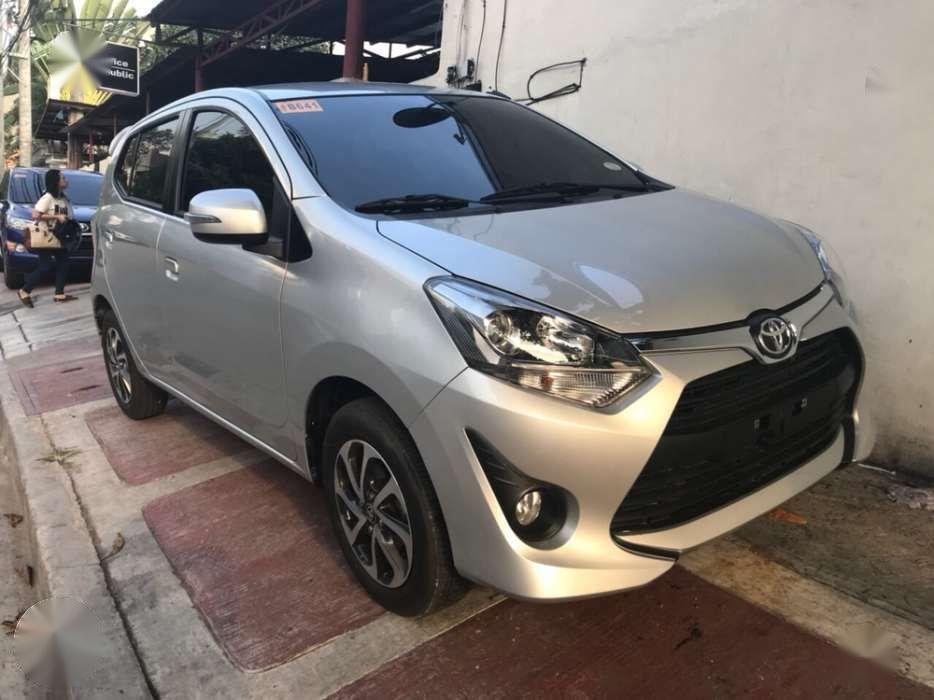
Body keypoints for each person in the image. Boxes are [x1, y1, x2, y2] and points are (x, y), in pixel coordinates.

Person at [17, 169, 78, 308]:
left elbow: (68, 216)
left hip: (60, 236)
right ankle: (24, 291)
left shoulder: (63, 198)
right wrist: (56, 216)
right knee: (45, 267)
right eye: (63, 178)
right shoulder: (48, 197)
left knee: (64, 264)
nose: (66, 180)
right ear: (56, 181)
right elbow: (35, 215)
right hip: (47, 237)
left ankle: (59, 294)